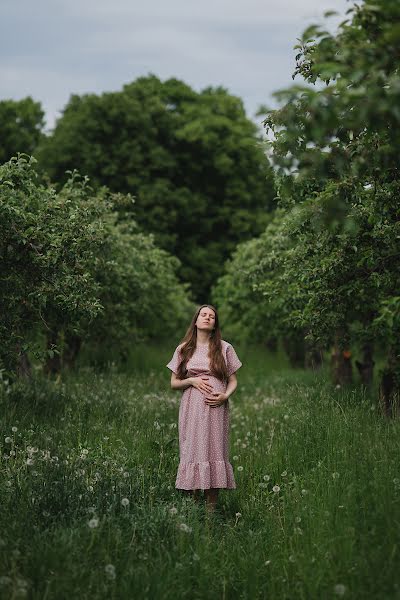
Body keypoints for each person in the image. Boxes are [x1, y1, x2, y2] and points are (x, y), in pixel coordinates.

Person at [166, 304, 242, 513]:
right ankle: (192, 511)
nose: (208, 318)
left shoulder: (224, 348)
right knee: (192, 450)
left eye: (212, 316)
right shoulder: (184, 348)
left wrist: (225, 395)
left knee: (214, 449)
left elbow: (233, 380)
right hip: (192, 407)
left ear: (215, 323)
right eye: (204, 315)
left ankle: (210, 515)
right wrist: (192, 382)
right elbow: (173, 383)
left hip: (217, 406)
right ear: (196, 320)